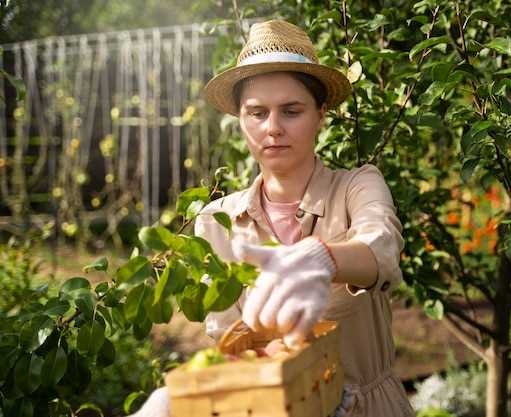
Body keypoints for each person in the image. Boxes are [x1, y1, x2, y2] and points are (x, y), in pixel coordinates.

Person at [132, 19, 414, 417]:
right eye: (257, 113)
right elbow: (231, 344)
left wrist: (323, 258)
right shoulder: (217, 221)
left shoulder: (356, 187)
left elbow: (381, 249)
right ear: (241, 120)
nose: (273, 128)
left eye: (291, 111)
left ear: (321, 113)